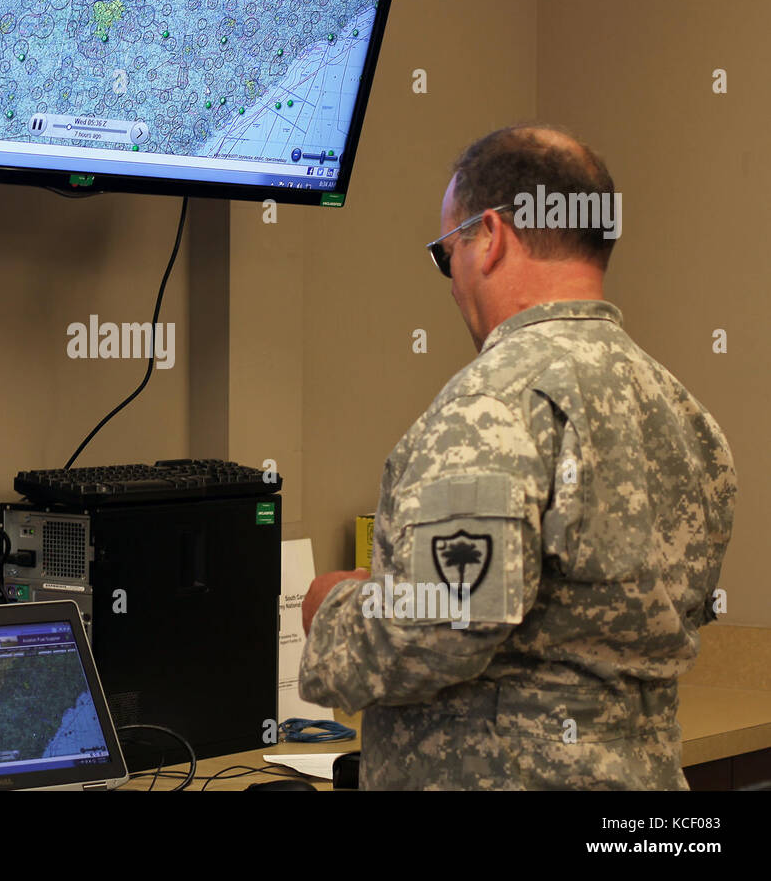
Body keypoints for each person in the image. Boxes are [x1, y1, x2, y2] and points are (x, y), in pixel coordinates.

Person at [299, 124, 737, 789]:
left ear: (490, 237)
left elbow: (439, 629)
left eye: (446, 255)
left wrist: (333, 606)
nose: (451, 284)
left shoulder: (495, 403)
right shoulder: (687, 416)